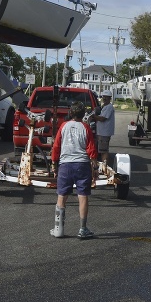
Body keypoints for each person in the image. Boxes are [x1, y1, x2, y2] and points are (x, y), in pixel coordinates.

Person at [51, 101, 98, 239]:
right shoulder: (86, 127)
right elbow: (92, 150)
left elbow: (56, 147)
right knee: (82, 196)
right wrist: (94, 168)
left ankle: (58, 229)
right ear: (83, 114)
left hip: (65, 165)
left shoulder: (63, 126)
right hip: (82, 165)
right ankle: (83, 229)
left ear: (70, 113)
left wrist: (54, 165)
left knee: (62, 196)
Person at [91, 89, 116, 168]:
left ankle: (104, 168)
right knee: (101, 151)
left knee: (103, 151)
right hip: (101, 132)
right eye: (103, 97)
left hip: (104, 133)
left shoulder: (109, 107)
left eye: (106, 97)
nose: (104, 98)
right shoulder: (104, 106)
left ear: (110, 98)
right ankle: (102, 167)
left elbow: (103, 118)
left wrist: (93, 117)